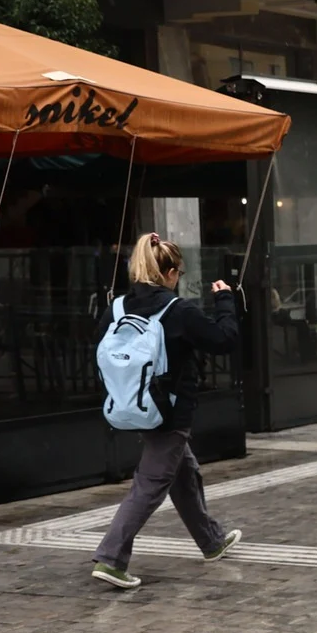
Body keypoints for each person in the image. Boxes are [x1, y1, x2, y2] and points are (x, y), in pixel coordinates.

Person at [90, 234, 242, 590]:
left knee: (183, 473)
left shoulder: (117, 308)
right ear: (170, 272)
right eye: (180, 272)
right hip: (171, 412)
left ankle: (211, 541)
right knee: (151, 484)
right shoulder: (178, 310)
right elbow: (225, 340)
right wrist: (224, 299)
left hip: (134, 403)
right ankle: (111, 559)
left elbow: (98, 350)